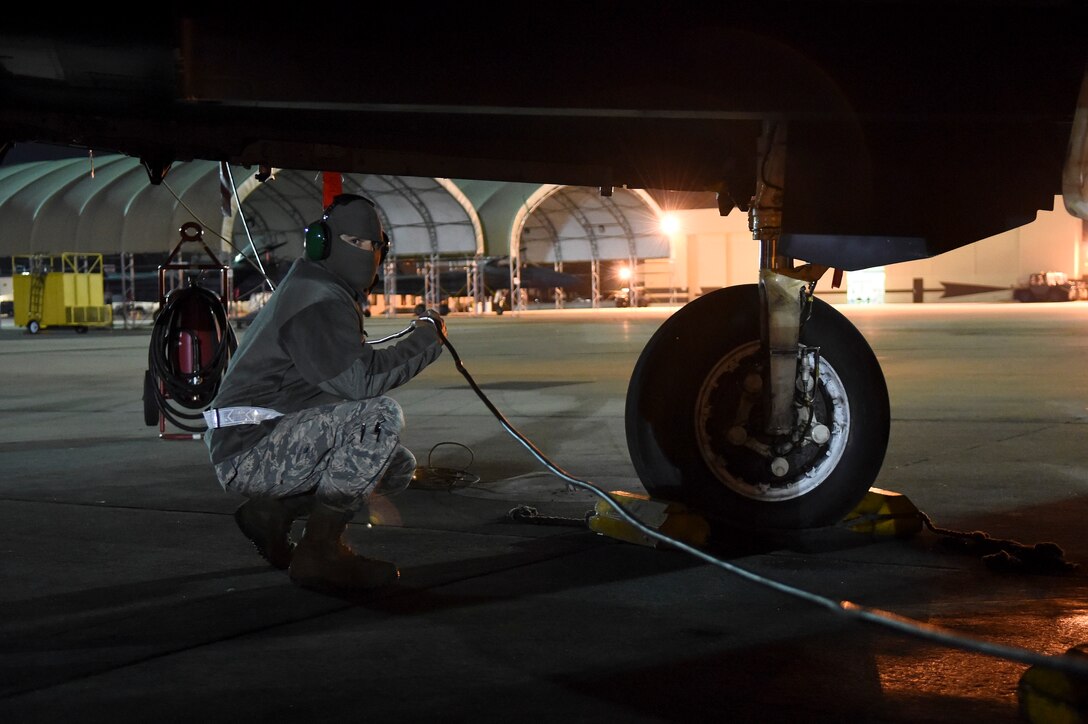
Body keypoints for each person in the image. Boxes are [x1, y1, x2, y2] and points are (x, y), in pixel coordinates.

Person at [203, 193, 445, 594]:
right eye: (355, 243)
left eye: (373, 246)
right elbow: (359, 384)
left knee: (395, 464)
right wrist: (426, 338)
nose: (366, 254)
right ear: (322, 242)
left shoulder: (322, 289)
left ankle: (272, 514)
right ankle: (320, 552)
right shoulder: (316, 297)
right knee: (380, 417)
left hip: (264, 436)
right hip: (248, 447)